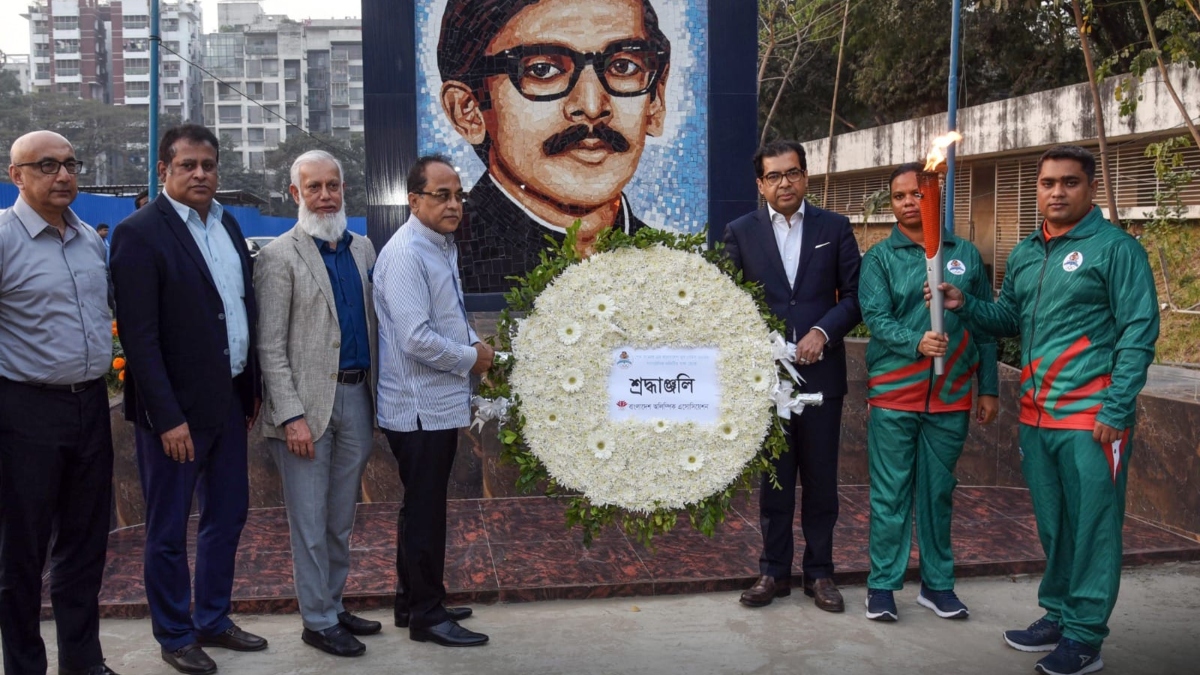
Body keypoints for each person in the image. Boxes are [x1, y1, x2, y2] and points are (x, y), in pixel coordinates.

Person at [932, 145, 1158, 675]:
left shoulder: (1116, 249)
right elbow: (1008, 318)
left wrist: (1116, 408)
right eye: (1048, 183)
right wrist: (965, 305)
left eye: (1069, 182)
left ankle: (1085, 636)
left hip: (1091, 416)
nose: (1057, 192)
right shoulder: (1027, 253)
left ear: (1091, 188)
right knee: (1055, 526)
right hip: (1037, 415)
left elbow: (1138, 331)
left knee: (1093, 527)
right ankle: (1057, 614)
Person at [110, 124, 267, 675]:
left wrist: (251, 389)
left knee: (227, 516)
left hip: (229, 402)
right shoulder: (138, 233)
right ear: (164, 171)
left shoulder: (227, 223)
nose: (200, 174)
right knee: (168, 529)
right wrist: (167, 418)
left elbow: (239, 309)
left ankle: (213, 619)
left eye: (209, 165)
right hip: (174, 417)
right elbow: (140, 338)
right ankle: (175, 635)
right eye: (188, 165)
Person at [436, 0, 670, 291]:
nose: (592, 106)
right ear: (468, 111)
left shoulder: (679, 277)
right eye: (543, 70)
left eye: (623, 67)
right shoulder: (440, 267)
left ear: (656, 102)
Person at [723, 140, 861, 613]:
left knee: (821, 481)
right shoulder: (740, 232)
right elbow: (727, 302)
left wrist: (823, 331)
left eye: (793, 173)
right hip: (767, 381)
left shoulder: (835, 228)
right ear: (760, 184)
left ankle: (820, 573)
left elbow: (855, 296)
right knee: (775, 481)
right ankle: (773, 572)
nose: (785, 183)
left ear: (805, 176)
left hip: (822, 376)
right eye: (774, 176)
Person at [858, 162, 999, 623]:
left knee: (938, 494)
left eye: (916, 194)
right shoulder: (880, 258)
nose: (908, 203)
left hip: (951, 393)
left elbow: (985, 322)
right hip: (894, 393)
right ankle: (882, 585)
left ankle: (938, 586)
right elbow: (875, 318)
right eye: (899, 196)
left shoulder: (966, 254)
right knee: (890, 494)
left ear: (932, 197)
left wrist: (989, 387)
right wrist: (914, 341)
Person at [254, 150, 381, 657]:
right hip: (304, 412)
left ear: (343, 189)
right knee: (308, 522)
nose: (325, 196)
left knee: (340, 519)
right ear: (296, 193)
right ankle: (318, 621)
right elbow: (269, 346)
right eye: (314, 187)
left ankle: (333, 603)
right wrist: (291, 416)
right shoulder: (278, 256)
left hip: (357, 400)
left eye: (333, 185)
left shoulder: (364, 249)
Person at [0, 131, 117, 675]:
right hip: (25, 413)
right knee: (21, 552)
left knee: (85, 544)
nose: (64, 175)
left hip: (91, 405)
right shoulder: (4, 238)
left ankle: (82, 661)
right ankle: (25, 666)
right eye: (47, 165)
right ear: (16, 175)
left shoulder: (89, 238)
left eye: (71, 164)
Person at [374, 155, 492, 647]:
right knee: (425, 514)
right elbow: (416, 339)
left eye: (458, 195)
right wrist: (471, 359)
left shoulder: (439, 246)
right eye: (441, 195)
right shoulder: (407, 254)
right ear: (413, 200)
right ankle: (427, 615)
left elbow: (451, 318)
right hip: (418, 408)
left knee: (420, 508)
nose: (453, 204)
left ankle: (412, 602)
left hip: (437, 404)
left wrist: (478, 349)